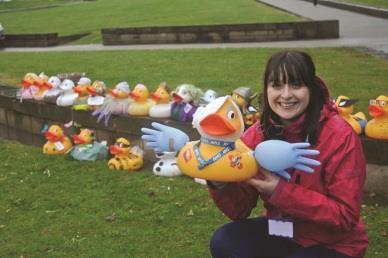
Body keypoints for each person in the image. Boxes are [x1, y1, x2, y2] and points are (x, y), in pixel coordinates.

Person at [208, 50, 368, 258]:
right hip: (283, 231)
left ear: (310, 87)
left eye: (296, 84)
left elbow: (345, 216)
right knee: (225, 242)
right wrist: (219, 182)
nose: (285, 95)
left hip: (334, 243)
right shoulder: (257, 135)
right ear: (266, 90)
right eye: (276, 85)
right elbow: (239, 210)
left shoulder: (340, 136)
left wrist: (281, 191)